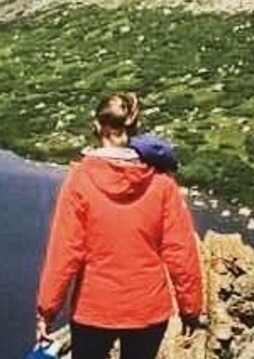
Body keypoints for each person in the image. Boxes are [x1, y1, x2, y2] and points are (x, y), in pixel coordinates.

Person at [35, 92, 204, 359]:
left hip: (94, 308)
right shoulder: (162, 183)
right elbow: (181, 253)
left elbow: (64, 253)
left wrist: (47, 311)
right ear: (134, 127)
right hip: (148, 310)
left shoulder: (79, 180)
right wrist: (191, 309)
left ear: (97, 125)